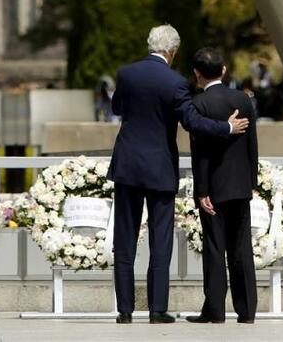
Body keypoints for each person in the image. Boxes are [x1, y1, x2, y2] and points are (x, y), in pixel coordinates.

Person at [107, 25, 249, 324]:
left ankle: (125, 310)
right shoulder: (175, 82)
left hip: (128, 165)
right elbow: (192, 123)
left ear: (150, 45)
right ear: (172, 52)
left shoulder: (127, 73)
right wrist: (226, 127)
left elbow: (117, 106)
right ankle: (157, 310)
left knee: (124, 240)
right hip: (160, 166)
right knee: (161, 240)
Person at [186, 47, 258, 325]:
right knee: (241, 248)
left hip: (213, 188)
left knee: (215, 248)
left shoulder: (198, 104)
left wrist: (201, 189)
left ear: (197, 74)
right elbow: (252, 144)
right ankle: (247, 309)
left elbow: (200, 152)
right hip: (240, 185)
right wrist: (251, 180)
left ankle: (215, 309)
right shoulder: (243, 98)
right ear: (224, 70)